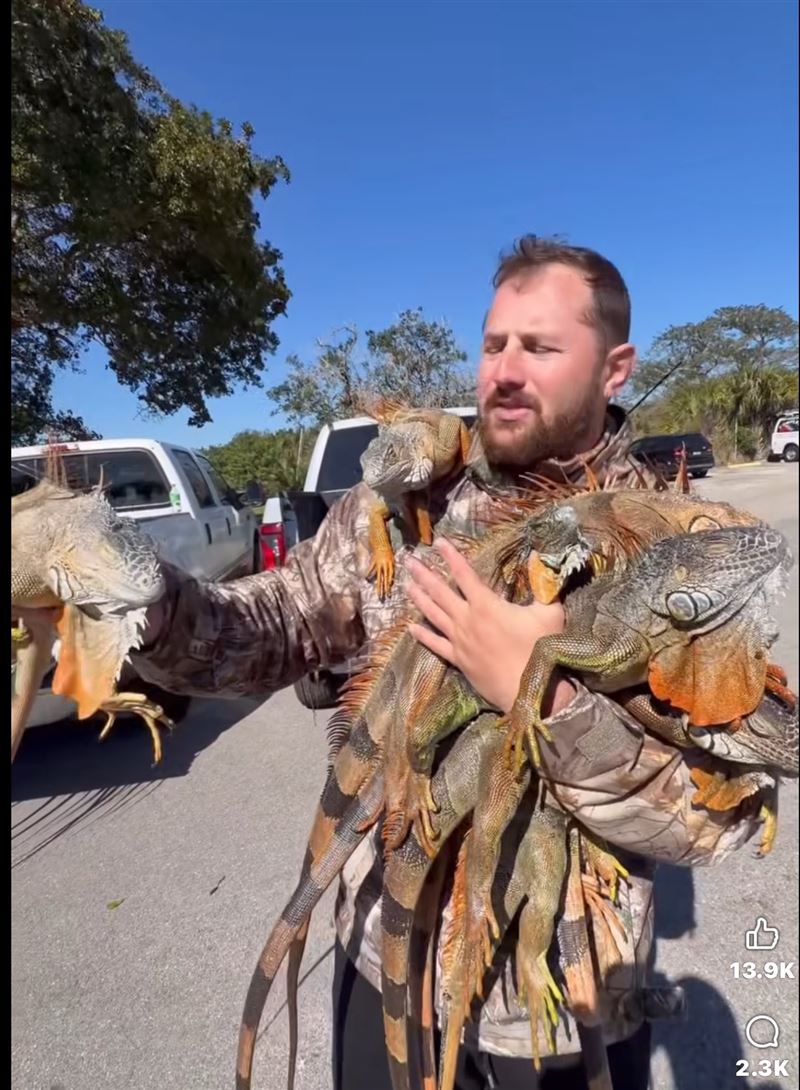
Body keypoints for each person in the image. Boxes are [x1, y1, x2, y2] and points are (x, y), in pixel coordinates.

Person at [18, 236, 764, 1088]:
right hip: (384, 965)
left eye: (540, 347)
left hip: (560, 1007)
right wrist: (133, 592)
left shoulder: (682, 544)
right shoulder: (406, 504)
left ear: (614, 370)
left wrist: (548, 696)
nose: (504, 371)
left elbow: (711, 816)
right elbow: (268, 626)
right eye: (494, 344)